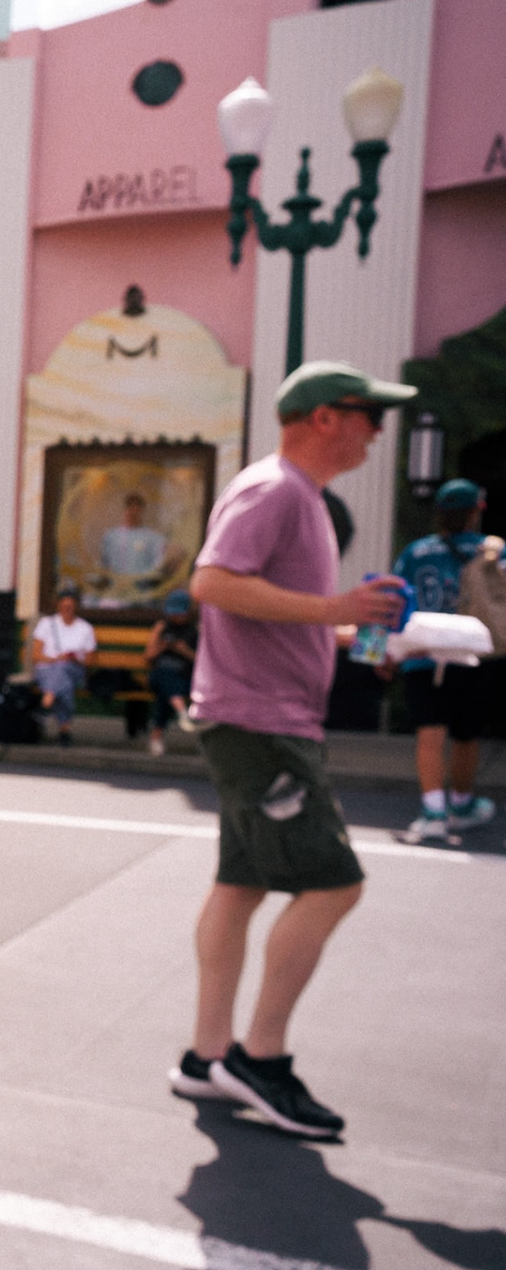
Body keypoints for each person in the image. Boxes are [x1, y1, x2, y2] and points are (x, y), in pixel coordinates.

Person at [167, 360, 414, 1138]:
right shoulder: (275, 490)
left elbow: (275, 610)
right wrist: (336, 606)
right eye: (369, 414)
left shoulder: (300, 498)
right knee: (335, 886)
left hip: (259, 718)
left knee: (240, 885)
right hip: (261, 722)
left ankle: (208, 1056)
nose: (378, 430)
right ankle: (260, 1059)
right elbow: (212, 583)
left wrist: (353, 632)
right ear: (323, 418)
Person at [390, 478, 497, 841]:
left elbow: (394, 601)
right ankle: (462, 805)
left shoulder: (416, 552)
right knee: (467, 734)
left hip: (423, 654)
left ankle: (433, 811)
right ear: (475, 513)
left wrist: (383, 652)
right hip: (474, 654)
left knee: (429, 732)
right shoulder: (493, 552)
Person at [31, 586, 95, 746]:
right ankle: (64, 730)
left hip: (74, 670)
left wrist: (74, 659)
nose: (67, 610)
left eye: (71, 607)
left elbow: (89, 661)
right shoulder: (47, 623)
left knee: (63, 669)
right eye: (64, 606)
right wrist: (55, 658)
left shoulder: (85, 628)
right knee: (62, 679)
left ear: (77, 607)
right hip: (47, 669)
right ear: (58, 606)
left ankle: (47, 702)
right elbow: (36, 655)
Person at [143, 588, 197, 756]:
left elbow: (202, 662)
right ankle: (182, 711)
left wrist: (184, 651)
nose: (175, 617)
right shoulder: (162, 627)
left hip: (183, 676)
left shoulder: (195, 630)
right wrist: (162, 646)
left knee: (165, 692)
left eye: (179, 613)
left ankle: (157, 737)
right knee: (164, 676)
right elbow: (148, 656)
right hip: (160, 674)